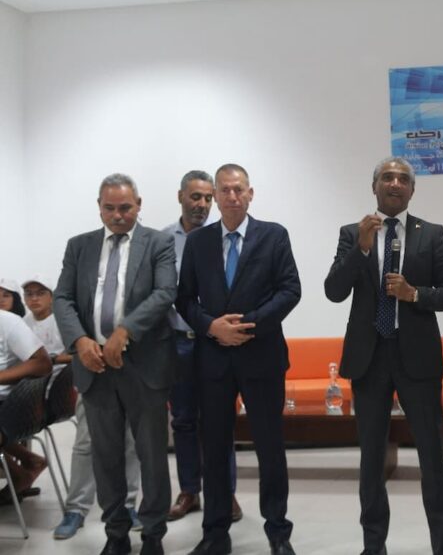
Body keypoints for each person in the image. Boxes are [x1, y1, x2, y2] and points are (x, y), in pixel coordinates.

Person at [324, 156, 443, 555]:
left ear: (412, 190)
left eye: (403, 178)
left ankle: (442, 545)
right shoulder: (353, 233)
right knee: (371, 458)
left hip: (417, 359)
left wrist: (414, 294)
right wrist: (361, 249)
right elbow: (334, 291)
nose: (395, 183)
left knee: (432, 456)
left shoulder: (430, 234)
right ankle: (373, 546)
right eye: (387, 177)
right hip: (369, 359)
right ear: (375, 187)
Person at [177, 163, 301, 555]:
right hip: (213, 361)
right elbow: (184, 299)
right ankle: (215, 534)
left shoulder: (273, 235)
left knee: (270, 448)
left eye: (239, 189)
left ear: (250, 194)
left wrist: (247, 325)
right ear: (215, 196)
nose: (232, 196)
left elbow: (290, 290)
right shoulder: (198, 242)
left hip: (262, 357)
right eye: (225, 190)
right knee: (214, 450)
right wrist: (212, 327)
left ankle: (278, 532)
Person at [54, 173, 177, 555]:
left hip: (145, 367)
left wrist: (126, 331)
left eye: (125, 207)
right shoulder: (80, 246)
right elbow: (62, 298)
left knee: (152, 457)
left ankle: (153, 534)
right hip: (95, 368)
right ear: (99, 207)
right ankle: (116, 534)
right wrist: (80, 340)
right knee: (105, 458)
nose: (118, 215)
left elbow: (165, 292)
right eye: (110, 208)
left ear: (138, 205)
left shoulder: (158, 242)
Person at [21, 275, 144, 540]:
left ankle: (128, 505)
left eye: (39, 292)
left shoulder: (135, 275)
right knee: (86, 443)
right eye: (29, 293)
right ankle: (76, 509)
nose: (34, 298)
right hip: (91, 371)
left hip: (131, 365)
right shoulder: (79, 282)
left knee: (130, 440)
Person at [162, 170, 242, 524]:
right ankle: (189, 490)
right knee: (183, 421)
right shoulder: (162, 241)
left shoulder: (221, 236)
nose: (203, 204)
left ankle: (225, 493)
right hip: (178, 343)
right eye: (196, 197)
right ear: (180, 196)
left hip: (215, 344)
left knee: (219, 421)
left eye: (208, 197)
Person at [0, 278, 51, 504]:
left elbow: (43, 363)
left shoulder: (8, 322)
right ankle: (25, 466)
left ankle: (21, 471)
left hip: (10, 405)